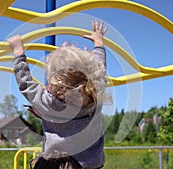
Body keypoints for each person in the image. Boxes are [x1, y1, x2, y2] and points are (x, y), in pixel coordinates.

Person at [8, 20, 107, 169]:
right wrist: (99, 43)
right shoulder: (95, 94)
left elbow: (25, 83)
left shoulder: (49, 102)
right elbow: (101, 69)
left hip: (56, 163)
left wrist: (18, 52)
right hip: (91, 164)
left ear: (58, 85)